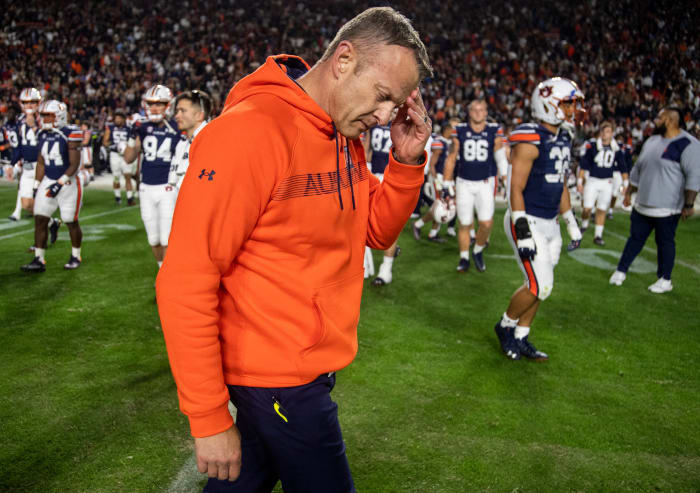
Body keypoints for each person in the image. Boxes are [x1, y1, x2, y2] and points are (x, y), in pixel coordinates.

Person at [156, 7, 432, 492]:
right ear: (343, 60)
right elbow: (185, 280)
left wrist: (405, 164)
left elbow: (374, 230)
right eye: (384, 96)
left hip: (300, 366)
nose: (387, 116)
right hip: (278, 379)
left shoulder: (340, 131)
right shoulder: (248, 133)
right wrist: (208, 418)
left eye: (396, 103)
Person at [493, 77, 584, 361]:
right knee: (539, 284)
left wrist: (570, 221)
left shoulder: (565, 136)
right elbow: (515, 188)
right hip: (527, 219)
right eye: (567, 104)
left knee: (539, 286)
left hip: (550, 223)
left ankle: (522, 336)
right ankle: (505, 326)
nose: (572, 110)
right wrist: (522, 227)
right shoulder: (530, 137)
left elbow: (561, 183)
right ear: (548, 104)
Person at [609, 107, 699, 293]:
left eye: (660, 118)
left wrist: (689, 204)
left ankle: (665, 279)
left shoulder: (689, 144)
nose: (655, 121)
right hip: (642, 203)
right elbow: (638, 169)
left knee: (665, 242)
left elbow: (694, 176)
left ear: (670, 120)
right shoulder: (652, 140)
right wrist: (629, 193)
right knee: (634, 239)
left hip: (667, 207)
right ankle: (621, 270)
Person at [443, 99, 508, 273]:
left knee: (486, 223)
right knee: (464, 223)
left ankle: (478, 250)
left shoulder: (494, 130)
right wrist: (446, 183)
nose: (478, 113)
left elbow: (500, 155)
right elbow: (451, 157)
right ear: (470, 112)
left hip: (486, 182)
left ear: (486, 112)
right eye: (475, 110)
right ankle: (464, 257)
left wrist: (505, 177)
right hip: (464, 182)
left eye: (481, 110)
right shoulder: (460, 130)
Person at [20, 100, 84, 272]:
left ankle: (75, 255)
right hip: (49, 179)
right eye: (43, 115)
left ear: (59, 116)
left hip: (68, 181)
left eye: (49, 115)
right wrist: (36, 184)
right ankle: (39, 259)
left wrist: (59, 183)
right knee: (40, 219)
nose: (45, 118)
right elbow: (41, 162)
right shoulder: (42, 133)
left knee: (71, 221)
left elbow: (74, 164)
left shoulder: (71, 132)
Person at [124, 85, 180, 270]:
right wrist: (132, 136)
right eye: (151, 104)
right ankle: (161, 269)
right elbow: (129, 158)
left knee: (167, 238)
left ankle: (167, 278)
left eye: (160, 104)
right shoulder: (142, 126)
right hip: (146, 188)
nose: (154, 108)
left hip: (169, 187)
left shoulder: (177, 126)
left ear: (168, 105)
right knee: (153, 238)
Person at [576, 121, 629, 245]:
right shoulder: (593, 146)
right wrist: (580, 181)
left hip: (607, 182)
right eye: (604, 131)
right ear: (600, 133)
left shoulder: (616, 148)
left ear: (612, 134)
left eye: (608, 131)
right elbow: (584, 165)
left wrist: (626, 184)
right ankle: (584, 224)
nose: (605, 134)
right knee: (587, 209)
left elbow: (623, 167)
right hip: (593, 181)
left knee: (601, 209)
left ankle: (598, 235)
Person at [363, 122, 402, 286]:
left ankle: (386, 269)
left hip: (392, 176)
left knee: (390, 223)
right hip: (374, 172)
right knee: (364, 218)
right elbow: (367, 148)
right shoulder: (375, 118)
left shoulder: (401, 123)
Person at [412, 123, 454, 242]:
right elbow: (432, 164)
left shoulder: (450, 143)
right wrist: (436, 180)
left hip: (446, 179)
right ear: (447, 129)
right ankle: (419, 225)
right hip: (439, 178)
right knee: (440, 206)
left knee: (443, 207)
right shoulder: (439, 142)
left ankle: (432, 233)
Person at [8, 88, 42, 221]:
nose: (29, 105)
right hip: (27, 165)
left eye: (32, 102)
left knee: (45, 199)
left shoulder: (45, 118)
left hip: (42, 166)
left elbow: (49, 142)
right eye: (26, 102)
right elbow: (19, 147)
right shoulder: (19, 121)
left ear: (38, 103)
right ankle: (51, 222)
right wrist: (12, 164)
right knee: (27, 204)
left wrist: (35, 128)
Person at [169, 90, 213, 190]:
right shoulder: (183, 142)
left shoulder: (210, 142)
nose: (177, 116)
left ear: (199, 115)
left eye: (182, 111)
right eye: (177, 111)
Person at [103, 110, 135, 205]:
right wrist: (114, 146)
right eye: (116, 118)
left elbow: (133, 141)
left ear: (124, 119)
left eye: (119, 118)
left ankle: (130, 198)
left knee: (127, 176)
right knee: (116, 177)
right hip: (115, 155)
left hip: (126, 155)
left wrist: (127, 147)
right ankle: (118, 197)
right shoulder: (110, 128)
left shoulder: (129, 128)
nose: (117, 120)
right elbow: (105, 142)